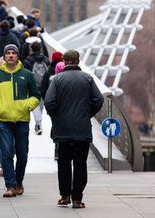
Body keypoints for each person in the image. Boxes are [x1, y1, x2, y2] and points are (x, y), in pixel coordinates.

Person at [44, 50, 104, 209]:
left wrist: (56, 116)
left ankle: (65, 196)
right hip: (82, 130)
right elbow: (99, 99)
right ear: (78, 61)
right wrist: (87, 114)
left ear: (64, 61)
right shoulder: (88, 78)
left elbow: (49, 102)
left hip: (62, 129)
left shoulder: (57, 79)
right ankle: (77, 198)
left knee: (63, 162)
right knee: (80, 163)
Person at [0, 44, 40, 197]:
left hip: (22, 120)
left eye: (13, 53)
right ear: (4, 57)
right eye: (8, 53)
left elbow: (36, 95)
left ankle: (19, 181)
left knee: (22, 154)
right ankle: (10, 186)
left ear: (18, 56)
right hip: (3, 121)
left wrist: (26, 105)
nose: (11, 55)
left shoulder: (27, 74)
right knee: (7, 153)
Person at [23, 42, 50, 135]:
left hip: (32, 86)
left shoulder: (27, 60)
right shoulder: (46, 60)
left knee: (35, 105)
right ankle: (38, 123)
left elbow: (25, 74)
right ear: (40, 48)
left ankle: (38, 124)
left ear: (31, 49)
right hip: (44, 86)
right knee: (41, 105)